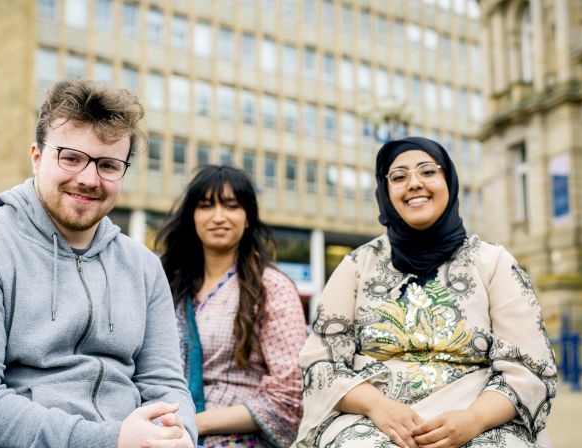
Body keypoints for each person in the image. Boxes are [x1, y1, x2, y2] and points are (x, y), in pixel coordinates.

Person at [0, 79, 196, 448]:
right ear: (37, 157)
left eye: (108, 165)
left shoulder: (144, 267)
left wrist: (178, 436)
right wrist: (109, 439)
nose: (88, 179)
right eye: (71, 157)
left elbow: (166, 385)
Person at [294, 137, 557, 448]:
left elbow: (528, 367)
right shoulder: (357, 266)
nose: (414, 183)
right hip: (371, 421)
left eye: (427, 172)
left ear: (449, 181)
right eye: (399, 176)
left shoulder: (493, 263)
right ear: (385, 191)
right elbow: (320, 363)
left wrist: (474, 419)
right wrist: (377, 407)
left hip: (476, 416)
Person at [156, 165, 308, 448]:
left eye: (231, 206)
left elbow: (290, 392)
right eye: (205, 206)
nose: (218, 217)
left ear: (248, 218)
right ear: (192, 216)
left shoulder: (271, 287)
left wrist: (196, 422)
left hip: (236, 437)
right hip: (164, 429)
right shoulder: (167, 286)